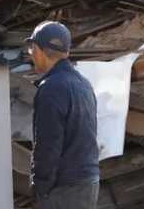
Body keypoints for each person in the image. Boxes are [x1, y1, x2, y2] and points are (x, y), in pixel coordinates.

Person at [27, 21, 100, 208]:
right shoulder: (84, 84)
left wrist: (40, 187)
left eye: (32, 48)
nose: (30, 54)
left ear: (40, 50)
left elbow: (48, 145)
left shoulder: (51, 88)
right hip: (88, 182)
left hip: (64, 188)